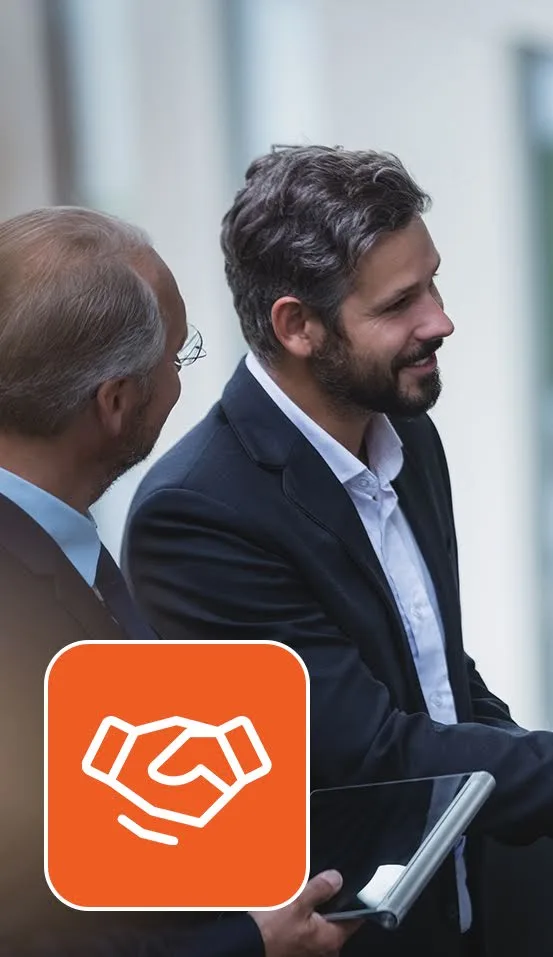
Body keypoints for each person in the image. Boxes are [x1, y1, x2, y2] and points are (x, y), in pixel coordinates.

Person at [122, 146, 553, 957]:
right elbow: (376, 756)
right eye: (400, 303)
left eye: (432, 282)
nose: (439, 319)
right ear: (297, 326)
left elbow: (440, 687)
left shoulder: (405, 432)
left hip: (469, 920)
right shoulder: (198, 514)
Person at [0, 206, 354, 956]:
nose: (181, 378)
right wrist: (248, 941)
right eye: (178, 355)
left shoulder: (57, 546)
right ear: (117, 401)